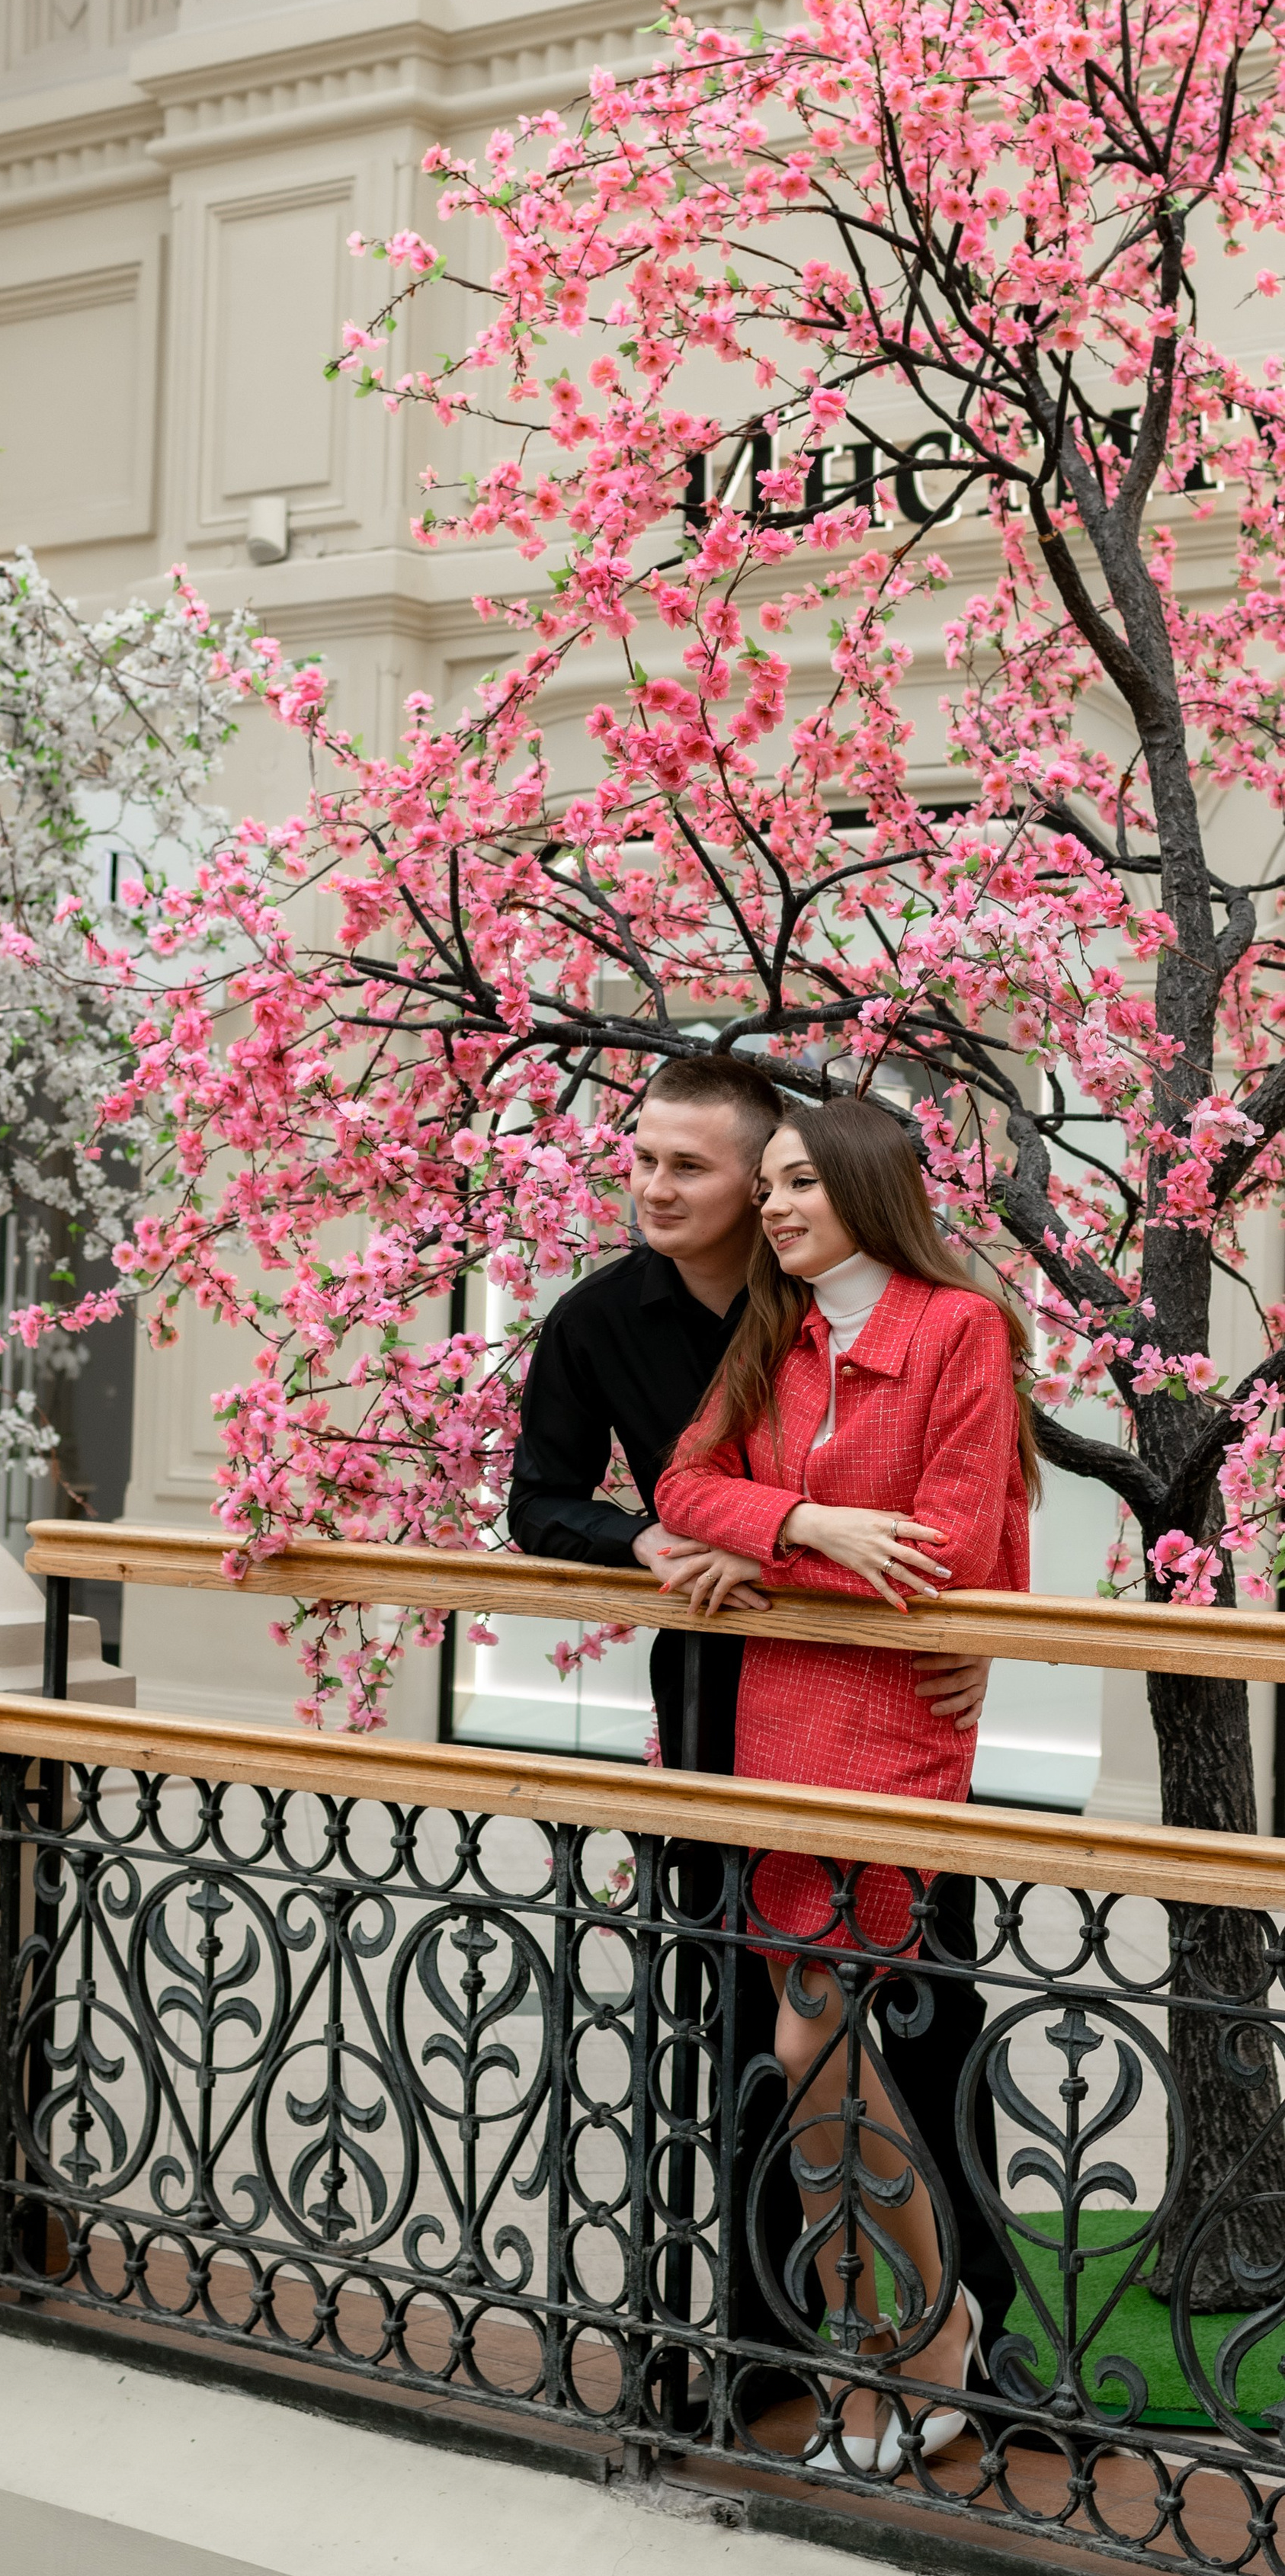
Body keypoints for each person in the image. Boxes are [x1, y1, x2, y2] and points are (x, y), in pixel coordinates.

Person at [505, 1053, 1012, 2423]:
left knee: (919, 2023)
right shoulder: (617, 1320)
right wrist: (675, 1535)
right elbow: (566, 1499)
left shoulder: (876, 1319)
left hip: (885, 1708)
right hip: (725, 1711)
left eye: (695, 1167)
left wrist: (961, 1610)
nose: (655, 1188)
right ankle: (766, 2332)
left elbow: (959, 1535)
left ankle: (965, 2334)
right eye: (642, 1159)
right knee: (744, 2036)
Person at [655, 1096, 1036, 2477]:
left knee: (821, 2043)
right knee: (815, 2049)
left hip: (895, 1721)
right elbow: (684, 1484)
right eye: (766, 1186)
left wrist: (759, 1563)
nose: (773, 1205)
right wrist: (799, 1523)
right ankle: (887, 2344)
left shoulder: (958, 1331)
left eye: (800, 1182)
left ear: (869, 1187)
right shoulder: (779, 1333)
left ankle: (911, 2341)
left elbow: (936, 1549)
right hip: (782, 1716)